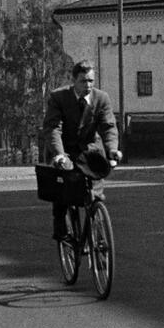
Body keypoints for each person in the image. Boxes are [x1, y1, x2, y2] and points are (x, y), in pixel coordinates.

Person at [42, 61, 121, 235]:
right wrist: (59, 154)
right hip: (64, 149)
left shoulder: (101, 98)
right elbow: (53, 128)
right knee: (63, 186)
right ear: (74, 81)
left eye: (91, 81)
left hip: (90, 150)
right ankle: (61, 222)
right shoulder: (58, 98)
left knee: (95, 188)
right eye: (83, 81)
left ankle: (98, 228)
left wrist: (112, 149)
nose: (88, 85)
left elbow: (108, 127)